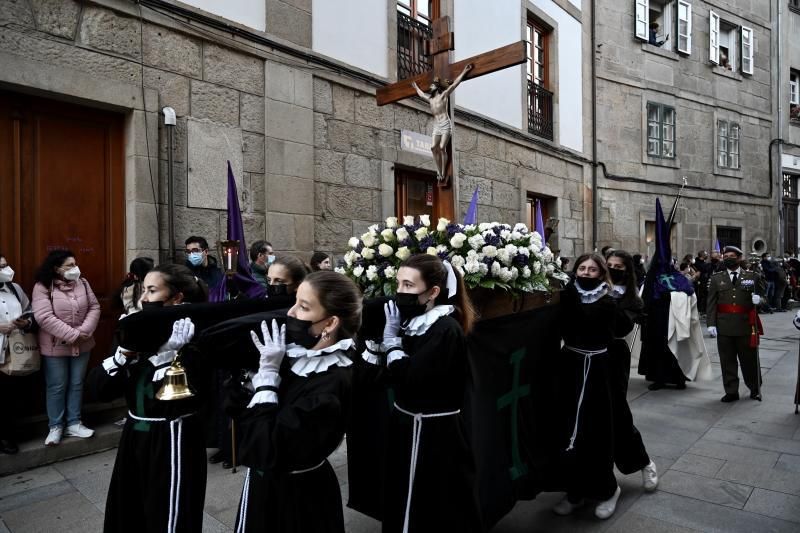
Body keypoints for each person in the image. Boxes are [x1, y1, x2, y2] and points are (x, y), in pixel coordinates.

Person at [230, 271, 361, 532]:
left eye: (303, 307)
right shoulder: (293, 355)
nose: (290, 313)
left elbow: (265, 446)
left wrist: (267, 380)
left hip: (297, 496)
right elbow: (238, 415)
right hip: (263, 486)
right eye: (295, 302)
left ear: (330, 323)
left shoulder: (331, 384)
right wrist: (249, 375)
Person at [364, 254, 482, 533]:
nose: (399, 292)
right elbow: (385, 379)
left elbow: (411, 376)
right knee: (403, 490)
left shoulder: (445, 329)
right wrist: (379, 347)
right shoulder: (411, 322)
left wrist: (393, 345)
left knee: (436, 501)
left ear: (433, 292)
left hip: (436, 433)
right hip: (406, 424)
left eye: (408, 285)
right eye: (398, 284)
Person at [88, 263, 209, 532]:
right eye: (144, 290)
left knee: (167, 514)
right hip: (135, 434)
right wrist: (123, 355)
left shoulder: (193, 335)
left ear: (176, 298)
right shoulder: (136, 330)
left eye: (152, 291)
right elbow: (99, 391)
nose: (143, 298)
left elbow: (188, 398)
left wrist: (171, 356)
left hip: (172, 437)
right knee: (128, 509)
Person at [551, 253, 621, 520]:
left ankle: (607, 490)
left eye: (592, 269)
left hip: (596, 368)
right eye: (582, 268)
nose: (586, 272)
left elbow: (586, 321)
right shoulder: (569, 294)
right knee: (568, 427)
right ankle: (574, 491)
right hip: (570, 363)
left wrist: (567, 296)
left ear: (602, 274)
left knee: (595, 430)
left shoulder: (607, 301)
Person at [32, 249, 100, 446]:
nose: (75, 268)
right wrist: (73, 335)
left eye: (75, 264)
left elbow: (95, 307)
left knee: (77, 383)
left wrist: (83, 332)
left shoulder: (83, 283)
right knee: (56, 386)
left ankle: (74, 423)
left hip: (83, 344)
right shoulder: (43, 287)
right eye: (69, 265)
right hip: (55, 346)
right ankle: (55, 426)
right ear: (56, 268)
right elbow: (44, 316)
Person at [606, 251, 658, 492]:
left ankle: (644, 463)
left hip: (613, 358)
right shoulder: (589, 289)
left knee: (618, 415)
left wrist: (606, 298)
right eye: (609, 265)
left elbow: (622, 325)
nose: (613, 269)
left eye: (618, 266)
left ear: (627, 271)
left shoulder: (631, 300)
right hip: (586, 357)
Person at [707, 246, 765, 402]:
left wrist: (759, 301)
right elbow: (711, 303)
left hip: (745, 325)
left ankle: (754, 388)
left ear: (739, 258)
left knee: (749, 360)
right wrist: (711, 323)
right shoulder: (716, 278)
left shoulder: (752, 276)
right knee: (727, 361)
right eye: (725, 256)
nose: (728, 258)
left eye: (731, 256)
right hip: (724, 325)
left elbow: (764, 297)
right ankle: (731, 391)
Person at [411, 63, 473, 182]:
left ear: (437, 87)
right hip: (436, 125)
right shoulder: (430, 99)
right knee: (433, 147)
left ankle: (443, 172)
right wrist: (416, 87)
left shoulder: (444, 95)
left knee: (441, 147)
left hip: (445, 124)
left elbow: (454, 84)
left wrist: (464, 71)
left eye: (433, 85)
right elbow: (421, 94)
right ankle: (439, 171)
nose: (431, 87)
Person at [0, 253, 35, 455]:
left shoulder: (15, 288)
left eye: (7, 265)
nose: (6, 270)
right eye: (1, 267)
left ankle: (7, 436)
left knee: (8, 397)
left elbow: (29, 310)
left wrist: (26, 322)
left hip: (14, 351)